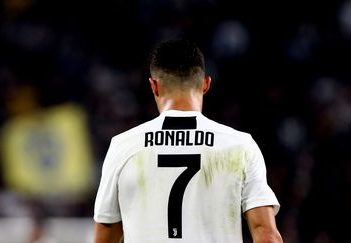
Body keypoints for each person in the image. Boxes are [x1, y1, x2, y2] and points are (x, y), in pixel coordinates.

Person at [93, 39, 283, 243]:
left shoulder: (123, 146)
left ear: (154, 86)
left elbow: (106, 237)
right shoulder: (240, 146)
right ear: (206, 84)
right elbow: (267, 236)